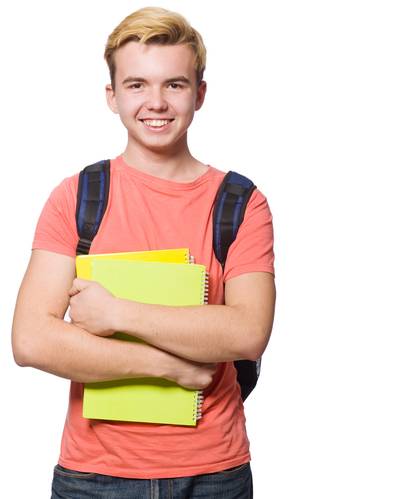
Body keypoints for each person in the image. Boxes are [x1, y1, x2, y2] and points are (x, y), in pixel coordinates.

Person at [10, 7, 276, 498]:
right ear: (112, 97)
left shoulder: (240, 202)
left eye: (174, 85)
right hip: (93, 476)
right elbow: (30, 340)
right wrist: (169, 367)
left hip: (213, 473)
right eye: (136, 85)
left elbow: (247, 332)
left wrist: (115, 312)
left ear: (199, 94)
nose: (156, 102)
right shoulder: (78, 196)